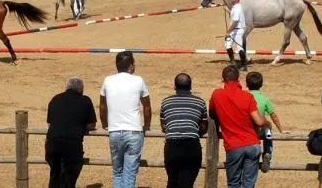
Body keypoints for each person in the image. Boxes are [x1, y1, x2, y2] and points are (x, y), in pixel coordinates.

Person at [209, 66, 271, 188]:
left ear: (223, 79)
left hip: (234, 145)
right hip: (252, 144)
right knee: (248, 184)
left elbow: (211, 112)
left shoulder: (217, 94)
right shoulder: (247, 96)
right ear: (238, 79)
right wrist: (267, 123)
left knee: (233, 184)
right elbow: (258, 121)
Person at [99, 51, 152, 188]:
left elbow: (102, 106)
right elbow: (146, 105)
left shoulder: (108, 80)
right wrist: (147, 125)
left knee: (117, 172)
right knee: (129, 174)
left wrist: (105, 124)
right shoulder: (138, 80)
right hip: (133, 131)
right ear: (131, 66)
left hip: (115, 131)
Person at [45, 77, 97, 188]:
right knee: (68, 179)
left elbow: (49, 123)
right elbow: (92, 124)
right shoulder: (85, 100)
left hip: (52, 143)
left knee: (55, 176)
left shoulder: (55, 99)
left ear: (66, 87)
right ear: (81, 89)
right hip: (71, 145)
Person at [160, 73, 208, 188]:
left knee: (172, 181)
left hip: (172, 146)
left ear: (174, 87)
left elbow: (163, 126)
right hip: (191, 146)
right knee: (187, 183)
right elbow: (204, 127)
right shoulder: (200, 102)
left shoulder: (166, 102)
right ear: (190, 86)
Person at [246, 72, 285, 173]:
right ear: (261, 84)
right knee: (268, 132)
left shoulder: (243, 97)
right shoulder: (264, 99)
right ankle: (267, 152)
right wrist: (281, 130)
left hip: (247, 131)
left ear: (246, 84)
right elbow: (274, 116)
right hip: (261, 131)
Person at [225, 0, 248, 71]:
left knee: (239, 48)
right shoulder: (235, 7)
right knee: (228, 44)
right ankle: (232, 62)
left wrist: (228, 31)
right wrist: (227, 10)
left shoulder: (237, 8)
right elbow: (233, 16)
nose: (230, 0)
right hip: (234, 30)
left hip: (237, 30)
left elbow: (235, 21)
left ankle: (244, 66)